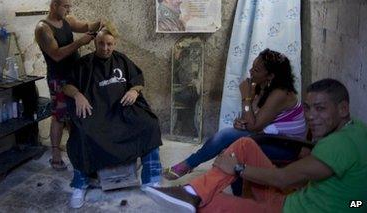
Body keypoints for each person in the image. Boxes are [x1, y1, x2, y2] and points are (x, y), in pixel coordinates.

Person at [145, 78, 367, 212]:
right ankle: (193, 190)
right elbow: (356, 202)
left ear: (343, 109)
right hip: (295, 200)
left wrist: (238, 169)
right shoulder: (357, 129)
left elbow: (284, 178)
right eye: (308, 108)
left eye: (320, 109)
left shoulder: (339, 144)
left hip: (287, 209)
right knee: (243, 145)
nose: (310, 116)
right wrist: (352, 206)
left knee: (203, 206)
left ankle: (194, 194)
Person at [164, 49, 306, 184]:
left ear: (271, 76)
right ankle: (193, 170)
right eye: (252, 67)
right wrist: (241, 122)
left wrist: (245, 97)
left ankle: (189, 168)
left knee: (227, 141)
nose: (250, 72)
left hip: (285, 147)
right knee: (228, 142)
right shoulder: (262, 87)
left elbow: (253, 125)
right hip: (267, 137)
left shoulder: (280, 93)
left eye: (256, 70)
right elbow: (249, 118)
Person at [62, 25, 162, 208]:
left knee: (150, 124)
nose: (105, 48)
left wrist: (134, 90)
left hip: (122, 110)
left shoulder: (121, 59)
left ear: (114, 44)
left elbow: (138, 80)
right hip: (96, 113)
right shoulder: (84, 64)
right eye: (101, 44)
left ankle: (151, 179)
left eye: (109, 44)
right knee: (81, 134)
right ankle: (80, 185)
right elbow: (66, 85)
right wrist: (77, 95)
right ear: (95, 42)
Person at [34, 0, 101, 171]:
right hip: (58, 77)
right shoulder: (43, 28)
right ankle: (55, 155)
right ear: (54, 5)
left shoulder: (67, 20)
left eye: (69, 6)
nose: (68, 10)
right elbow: (56, 55)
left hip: (74, 75)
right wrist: (80, 42)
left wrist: (102, 23)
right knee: (59, 115)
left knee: (74, 114)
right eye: (65, 6)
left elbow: (86, 25)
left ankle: (75, 147)